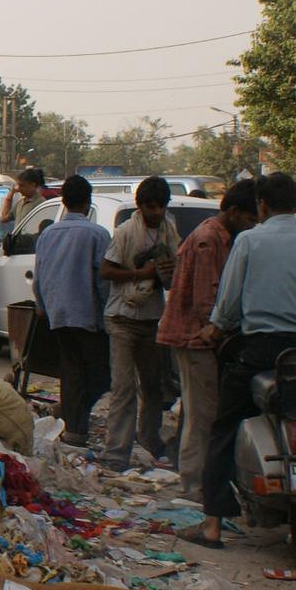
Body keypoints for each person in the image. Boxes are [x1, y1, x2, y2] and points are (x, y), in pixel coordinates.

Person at [194, 172, 296, 547]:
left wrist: (215, 329)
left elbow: (228, 305)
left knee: (225, 427)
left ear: (261, 205)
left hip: (261, 351)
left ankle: (213, 523)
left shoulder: (249, 240)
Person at [157, 180, 258, 497]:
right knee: (203, 415)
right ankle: (195, 482)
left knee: (198, 411)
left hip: (200, 338)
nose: (252, 226)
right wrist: (221, 332)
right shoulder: (208, 240)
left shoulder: (221, 237)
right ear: (234, 211)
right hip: (196, 338)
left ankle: (198, 478)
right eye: (250, 219)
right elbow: (205, 301)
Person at [98, 176, 179, 470]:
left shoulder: (170, 232)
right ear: (141, 206)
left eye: (161, 207)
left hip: (151, 318)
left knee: (153, 387)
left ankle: (149, 443)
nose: (156, 212)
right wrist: (140, 274)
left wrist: (165, 272)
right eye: (151, 207)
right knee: (124, 388)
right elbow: (106, 271)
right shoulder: (125, 232)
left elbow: (173, 274)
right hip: (121, 318)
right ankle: (116, 453)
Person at [33, 176, 112, 447]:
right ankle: (75, 422)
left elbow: (39, 276)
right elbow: (103, 280)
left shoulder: (48, 234)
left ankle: (72, 422)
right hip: (88, 315)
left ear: (64, 202)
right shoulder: (98, 234)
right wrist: (107, 312)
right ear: (88, 202)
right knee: (100, 374)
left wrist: (43, 306)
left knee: (71, 371)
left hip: (58, 314)